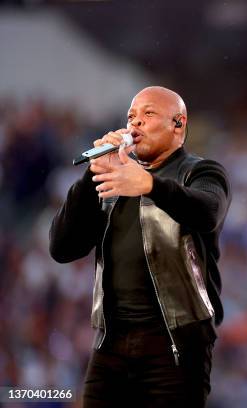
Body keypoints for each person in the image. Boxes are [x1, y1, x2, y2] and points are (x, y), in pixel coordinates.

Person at [49, 86, 231, 407]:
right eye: (131, 116)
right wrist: (94, 174)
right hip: (111, 343)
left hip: (176, 344)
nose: (135, 124)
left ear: (178, 124)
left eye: (148, 115)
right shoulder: (113, 179)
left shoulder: (199, 171)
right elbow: (63, 248)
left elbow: (208, 211)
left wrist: (151, 185)